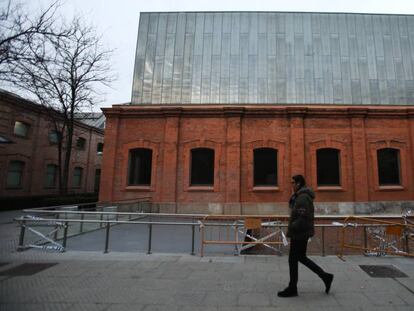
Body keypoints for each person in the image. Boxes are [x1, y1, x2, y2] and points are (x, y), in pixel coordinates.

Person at [278, 174, 334, 298]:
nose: (291, 185)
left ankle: (292, 288)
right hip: (301, 233)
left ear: (298, 184)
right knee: (301, 258)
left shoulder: (302, 198)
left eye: (293, 183)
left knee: (293, 259)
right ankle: (325, 276)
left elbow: (302, 217)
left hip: (300, 233)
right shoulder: (301, 196)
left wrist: (293, 226)